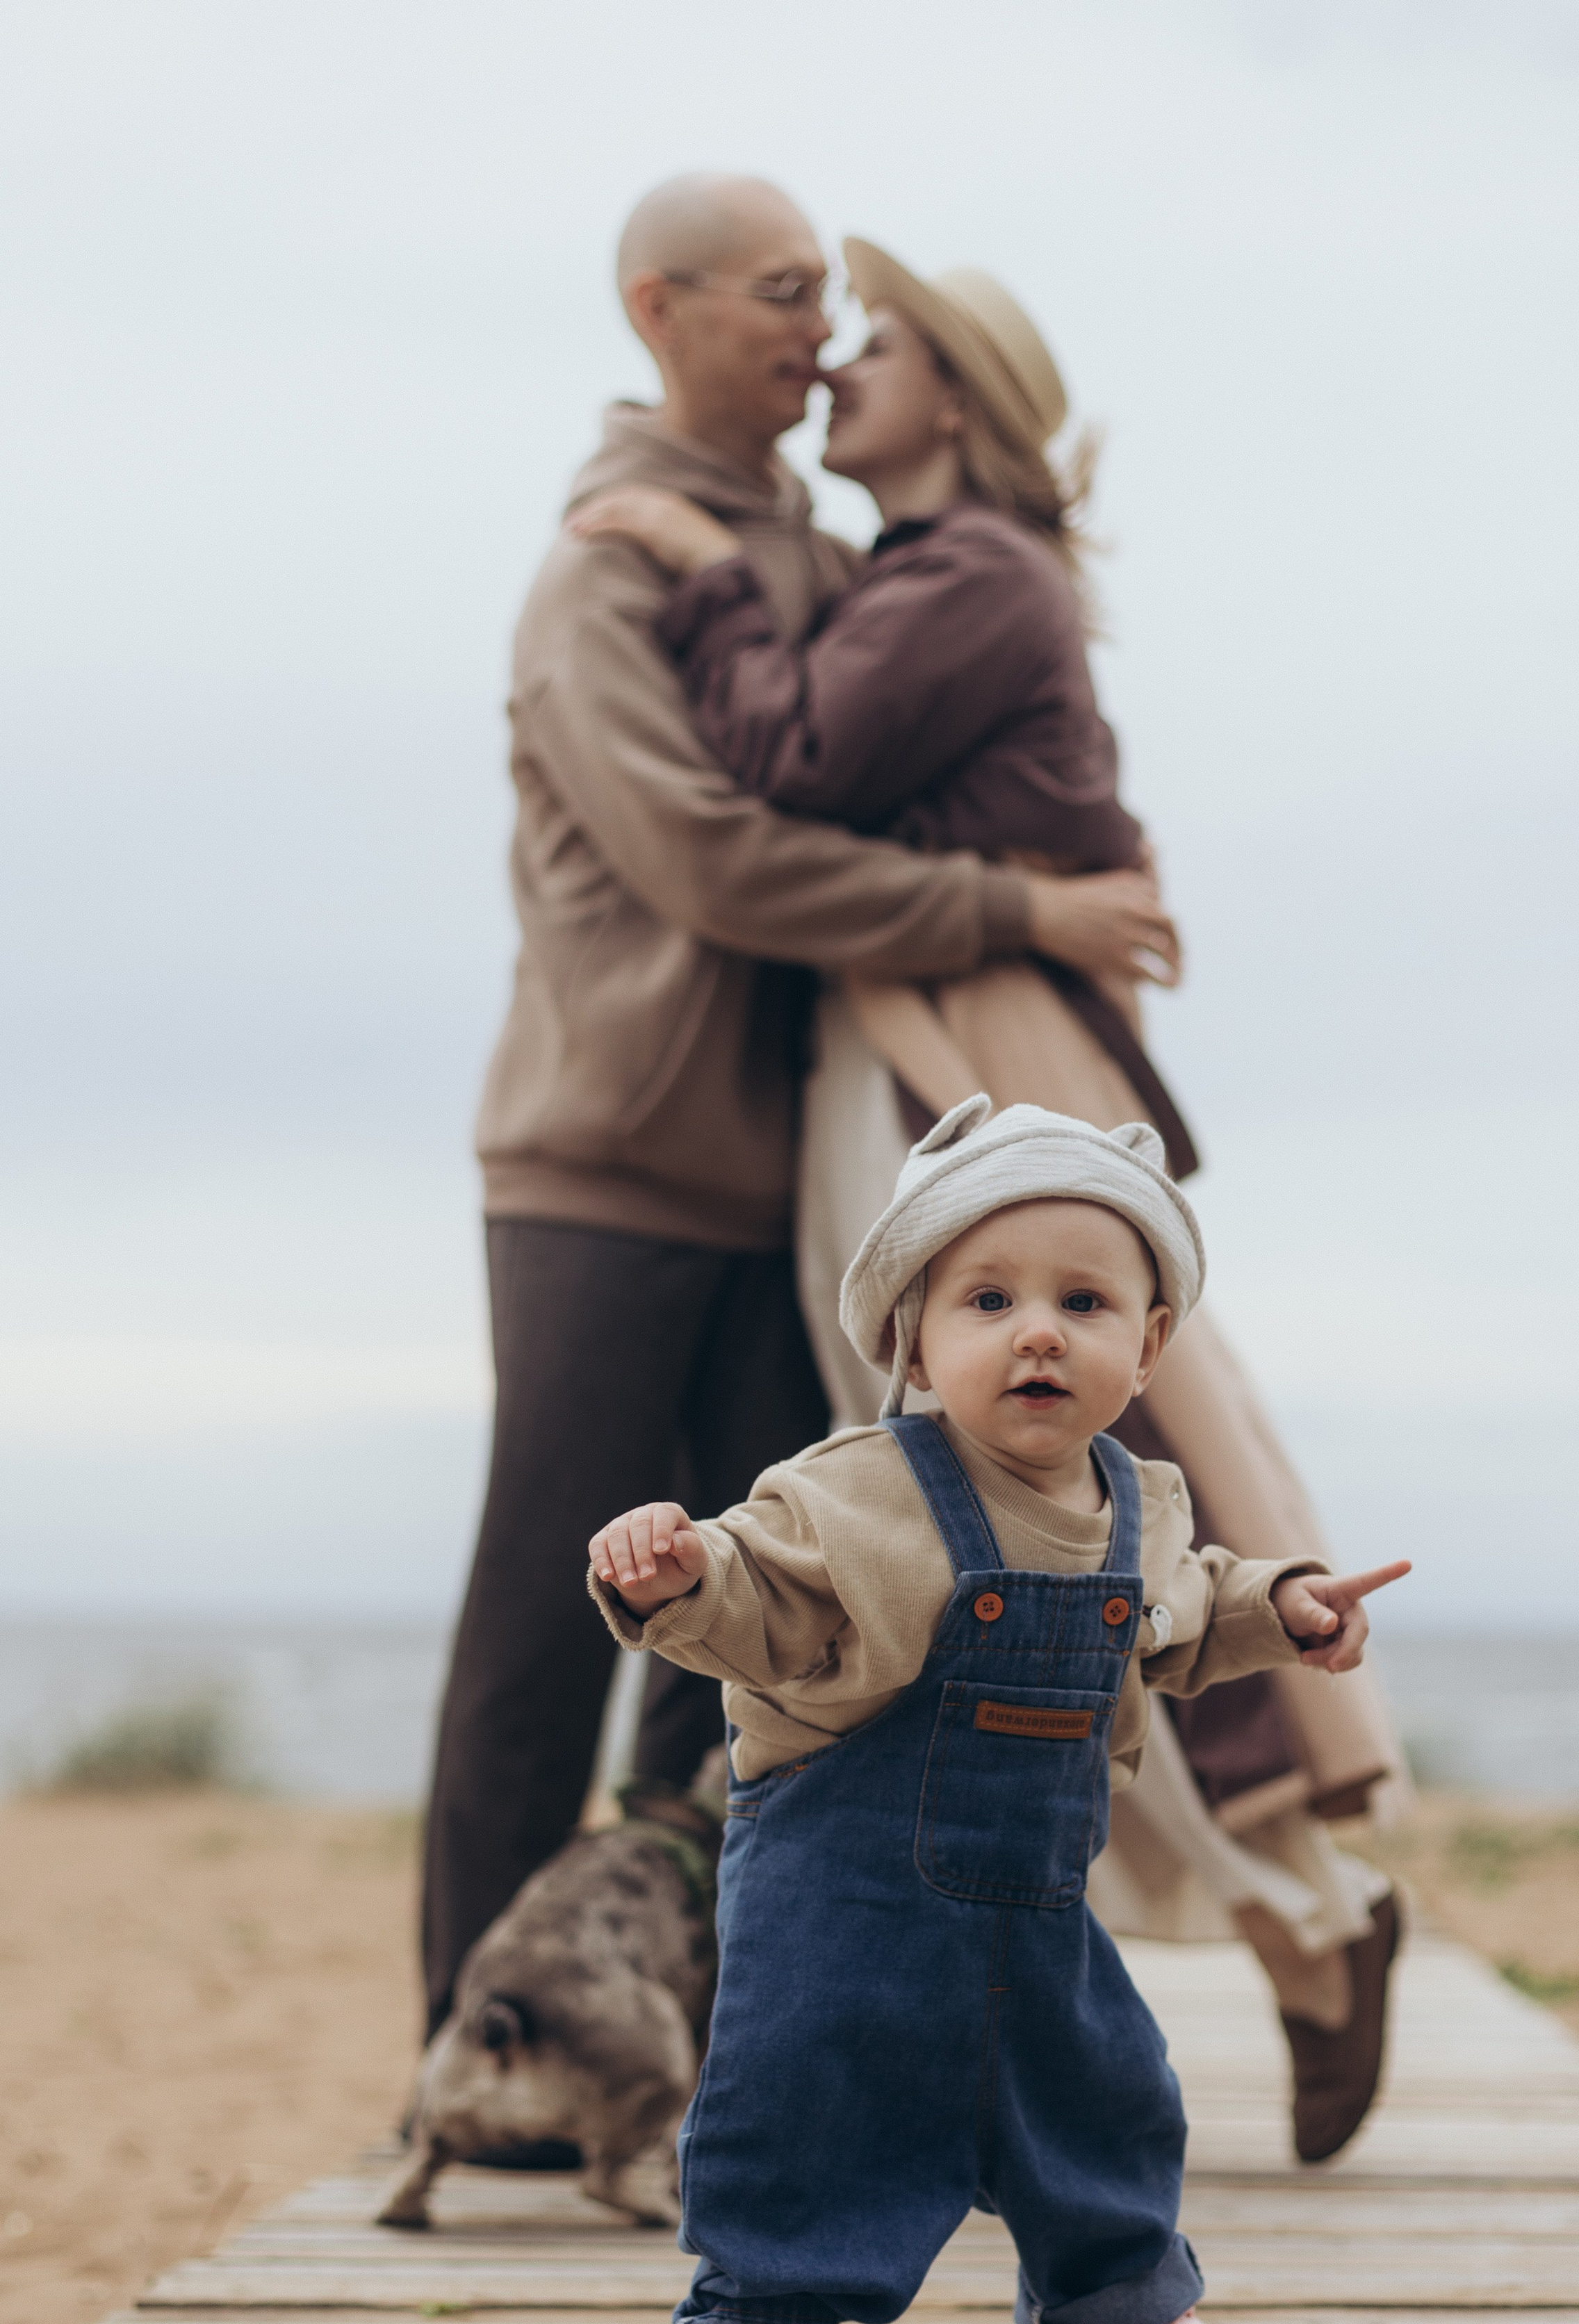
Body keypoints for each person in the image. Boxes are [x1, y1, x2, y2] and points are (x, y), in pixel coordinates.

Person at [574, 236, 1410, 2162]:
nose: (838, 371)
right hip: (940, 1038)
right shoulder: (931, 576)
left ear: (955, 391)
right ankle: (1277, 1932)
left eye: (875, 347)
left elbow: (788, 757)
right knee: (994, 1524)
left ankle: (1296, 1926)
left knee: (1025, 1521)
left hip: (964, 1062)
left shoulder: (969, 575)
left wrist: (701, 573)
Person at [421, 179, 1179, 2039]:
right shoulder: (602, 565)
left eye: (835, 300)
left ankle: (671, 2005)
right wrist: (1019, 911)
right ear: (656, 310)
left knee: (752, 1615)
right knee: (546, 1609)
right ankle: (471, 2036)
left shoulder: (813, 557)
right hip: (602, 1162)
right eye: (781, 296)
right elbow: (717, 860)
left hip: (780, 1182)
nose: (821, 336)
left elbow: (894, 758)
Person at [589, 1098, 1410, 2324]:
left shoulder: (1137, 1507)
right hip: (832, 1888)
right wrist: (678, 1575)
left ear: (1144, 1348)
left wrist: (1290, 1605)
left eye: (1082, 1301)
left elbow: (1190, 1610)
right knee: (799, 2090)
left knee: (1102, 2085)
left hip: (1033, 1889)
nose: (1038, 1330)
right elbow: (756, 1597)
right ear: (913, 1337)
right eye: (987, 1299)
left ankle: (1096, 2311)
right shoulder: (847, 1492)